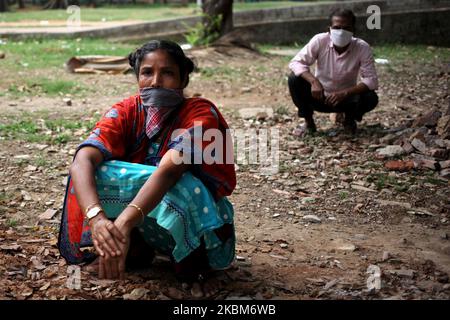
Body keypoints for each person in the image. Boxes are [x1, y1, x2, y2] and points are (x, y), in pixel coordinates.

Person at [58, 40, 236, 298]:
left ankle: (196, 267)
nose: (155, 81)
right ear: (137, 77)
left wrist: (123, 223)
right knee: (94, 171)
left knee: (185, 185)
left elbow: (169, 171)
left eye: (167, 73)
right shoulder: (127, 110)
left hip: (198, 226)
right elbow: (82, 160)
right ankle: (132, 251)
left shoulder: (200, 112)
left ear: (184, 79)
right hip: (143, 221)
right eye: (147, 72)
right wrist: (97, 219)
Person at [288, 8, 379, 136]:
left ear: (353, 30)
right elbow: (296, 63)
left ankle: (349, 120)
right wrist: (314, 81)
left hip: (347, 100)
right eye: (337, 27)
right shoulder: (320, 40)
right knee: (294, 79)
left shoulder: (362, 47)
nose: (341, 32)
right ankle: (308, 122)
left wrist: (345, 93)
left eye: (346, 28)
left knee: (370, 97)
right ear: (329, 29)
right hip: (319, 97)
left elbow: (371, 80)